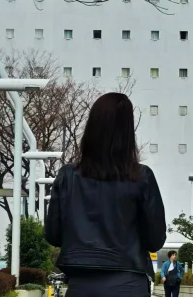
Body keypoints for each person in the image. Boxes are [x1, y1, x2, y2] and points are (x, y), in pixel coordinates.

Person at [45, 92, 167, 296]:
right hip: (128, 283)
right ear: (128, 132)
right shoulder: (141, 177)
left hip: (81, 285)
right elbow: (154, 240)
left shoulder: (67, 176)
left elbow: (53, 234)